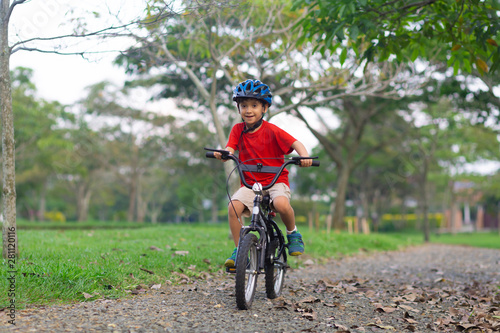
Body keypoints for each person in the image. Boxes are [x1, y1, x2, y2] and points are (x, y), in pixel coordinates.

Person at [214, 79, 312, 268]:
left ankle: (293, 233)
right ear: (238, 108)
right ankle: (239, 250)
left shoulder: (272, 131)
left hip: (276, 182)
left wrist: (304, 156)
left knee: (281, 204)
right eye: (244, 106)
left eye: (254, 105)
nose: (248, 110)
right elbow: (230, 148)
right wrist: (224, 154)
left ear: (264, 108)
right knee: (233, 207)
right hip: (251, 184)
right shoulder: (237, 130)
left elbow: (296, 143)